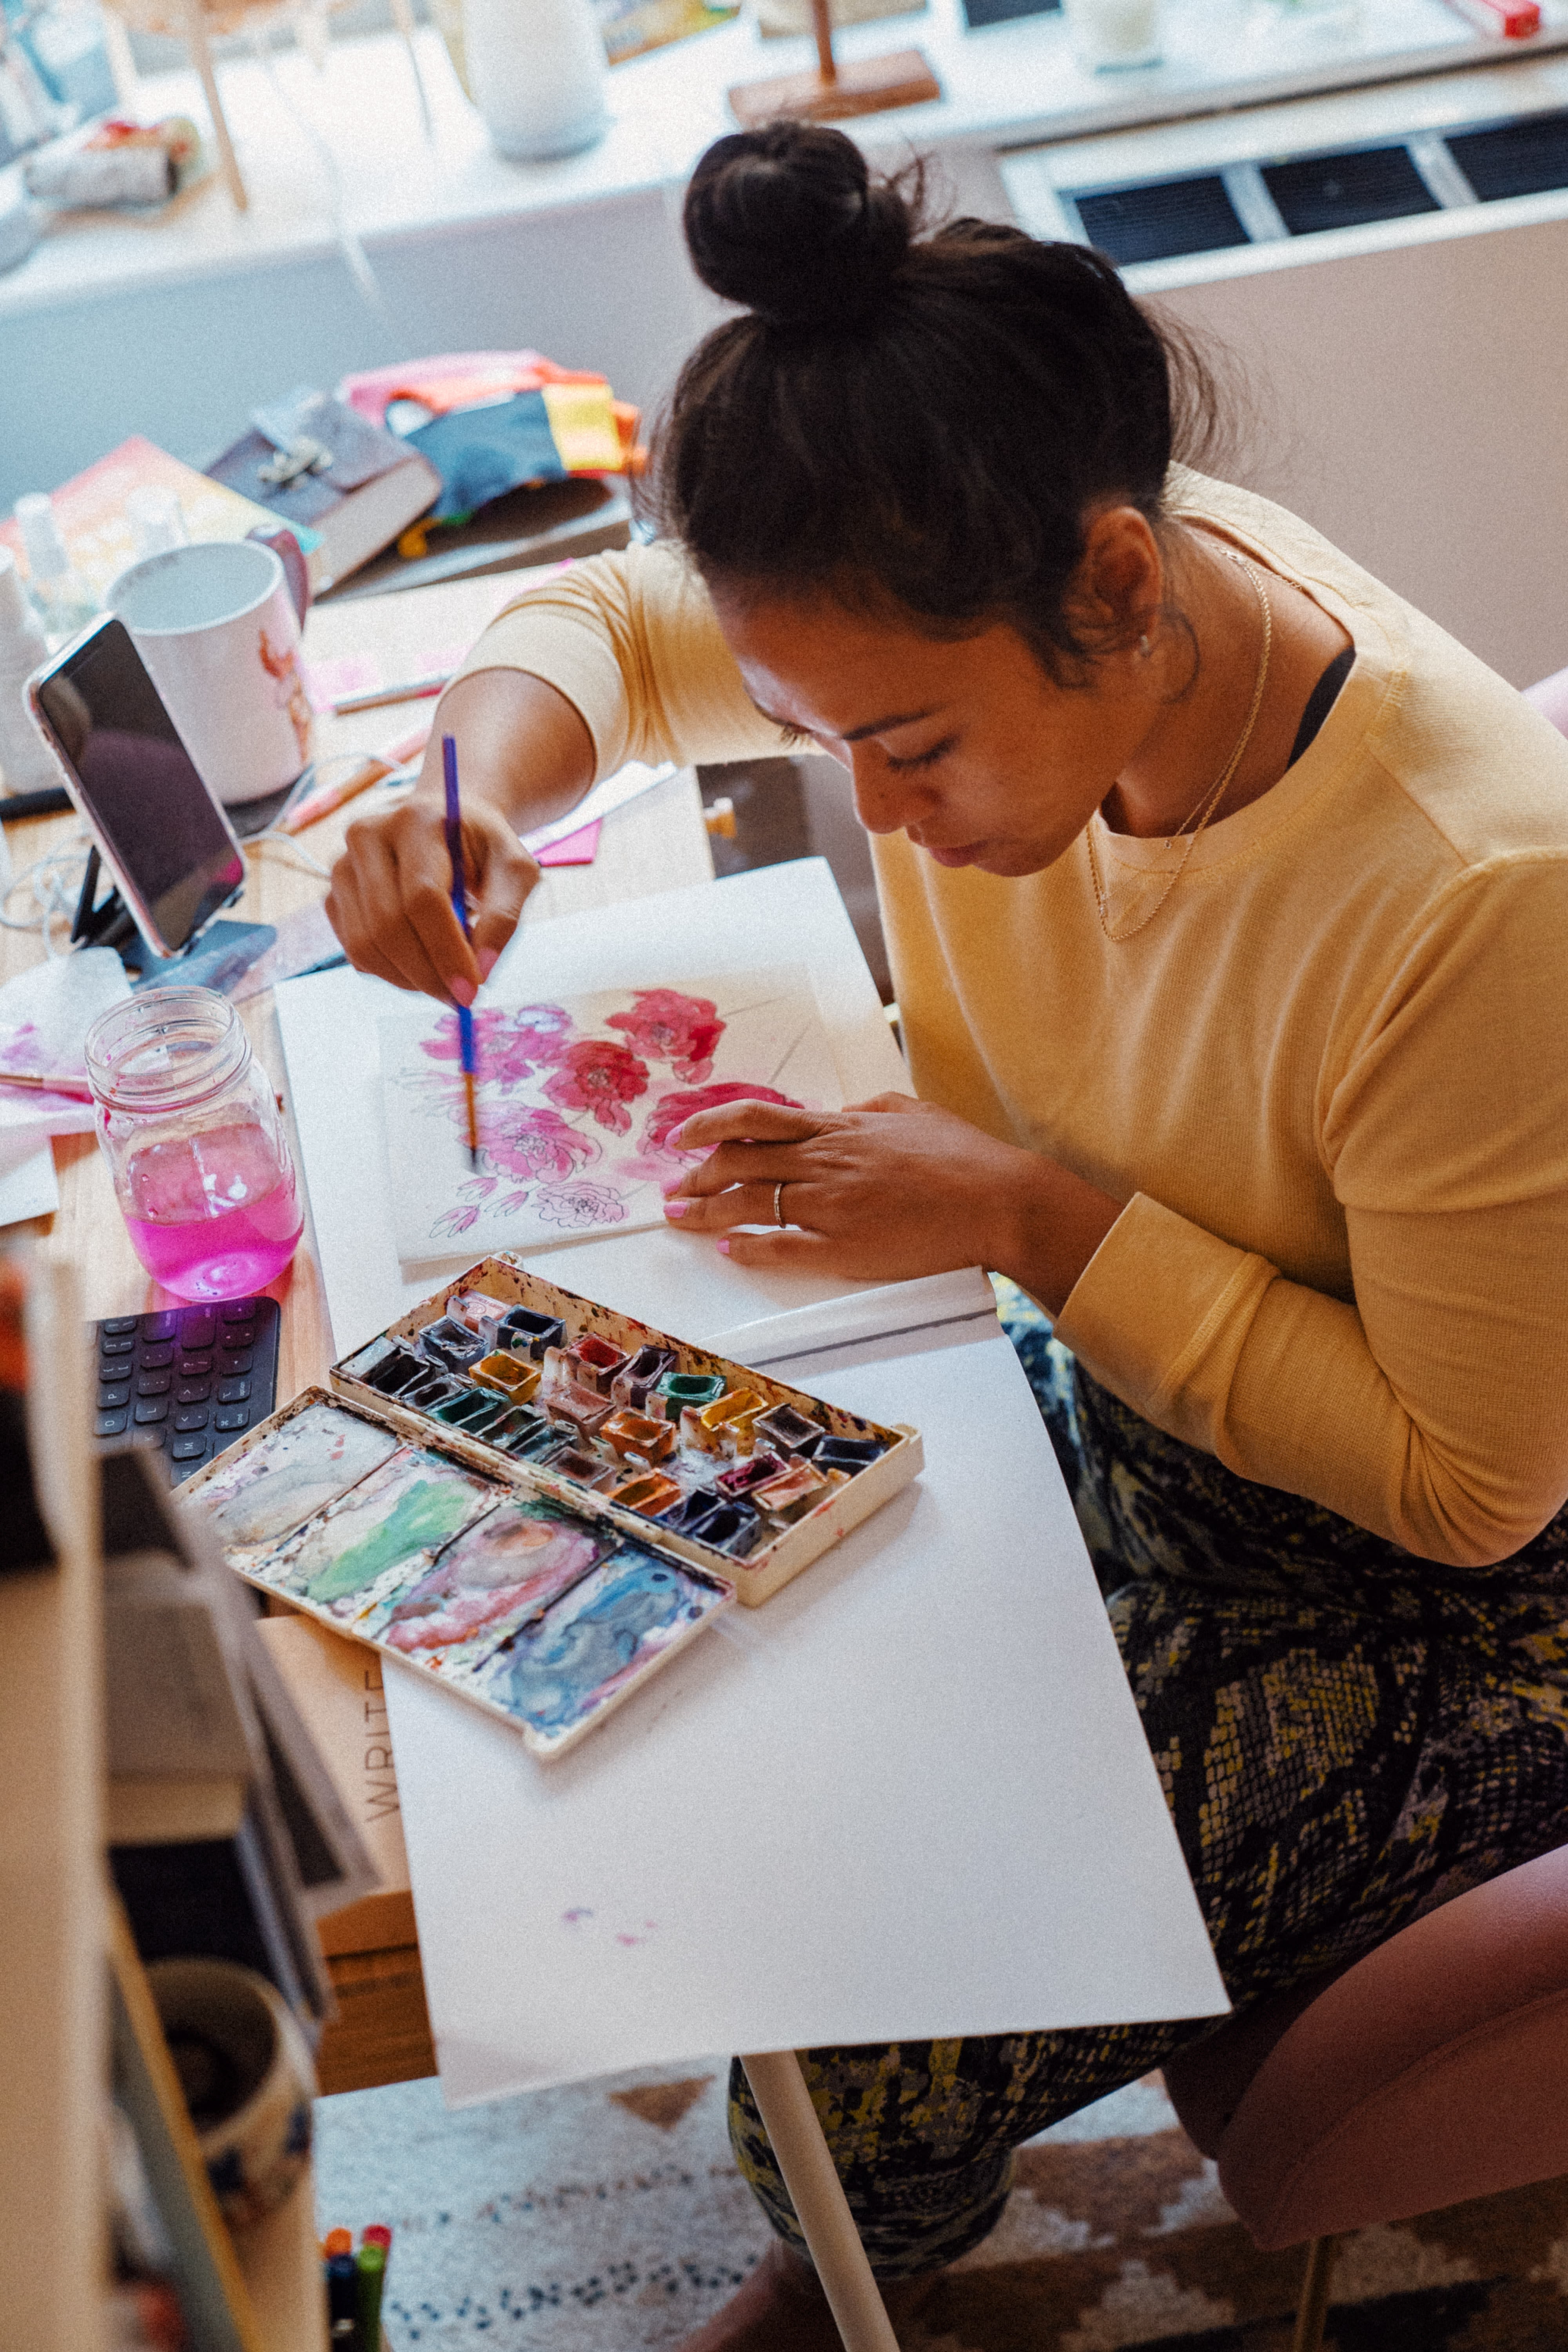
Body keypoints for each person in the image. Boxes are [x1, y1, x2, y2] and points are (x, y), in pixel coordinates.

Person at [325, 121, 1568, 2347]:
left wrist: (1026, 1214)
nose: (872, 815)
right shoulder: (1058, 590)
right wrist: (476, 794)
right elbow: (612, 623)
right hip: (1139, 1376)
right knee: (672, 1650)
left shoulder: (1477, 900)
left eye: (902, 749)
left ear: (1118, 589)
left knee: (881, 1999)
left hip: (1474, 1592)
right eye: (817, 738)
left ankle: (850, 2260)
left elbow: (1476, 1489)